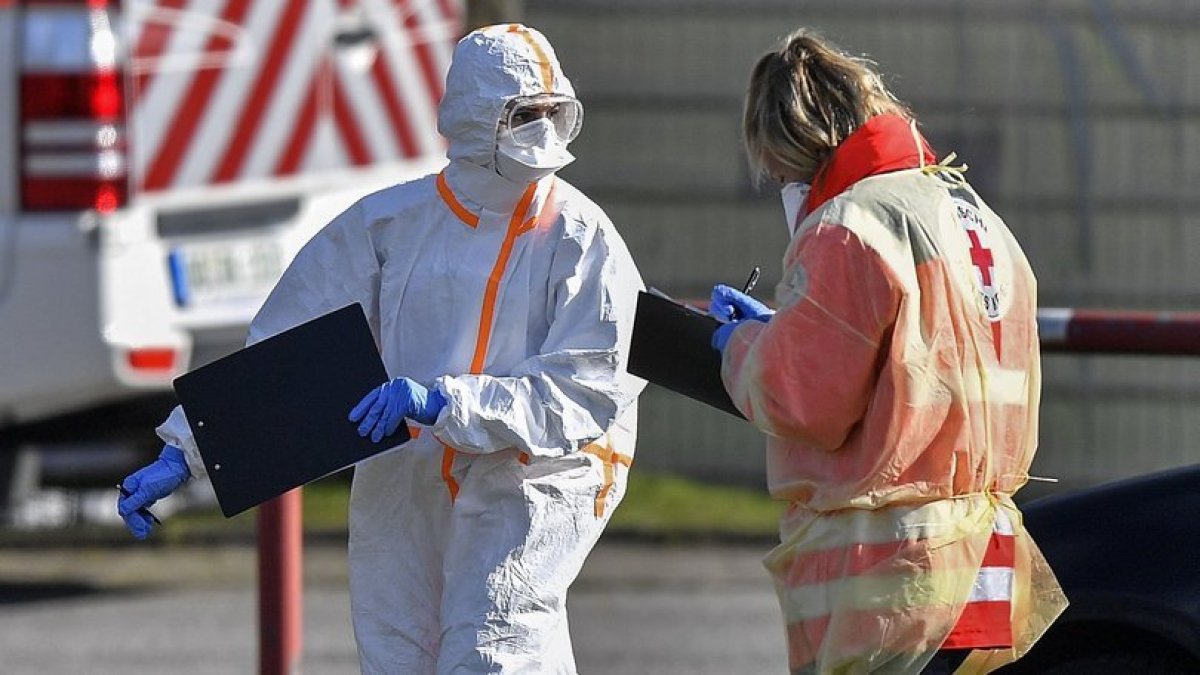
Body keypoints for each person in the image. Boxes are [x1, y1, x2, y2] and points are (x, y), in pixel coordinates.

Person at [118, 23, 646, 673]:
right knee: (399, 653)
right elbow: (286, 345)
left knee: (495, 645)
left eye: (549, 112)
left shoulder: (585, 240)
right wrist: (189, 449)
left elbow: (585, 390)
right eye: (522, 114)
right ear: (475, 115)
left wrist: (449, 403)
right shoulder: (391, 225)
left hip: (538, 468)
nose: (540, 129)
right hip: (410, 465)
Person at [707, 29, 1067, 674]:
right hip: (986, 561)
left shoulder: (851, 223)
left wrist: (741, 345)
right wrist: (788, 329)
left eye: (782, 175)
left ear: (794, 148)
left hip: (890, 581)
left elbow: (801, 399)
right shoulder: (971, 214)